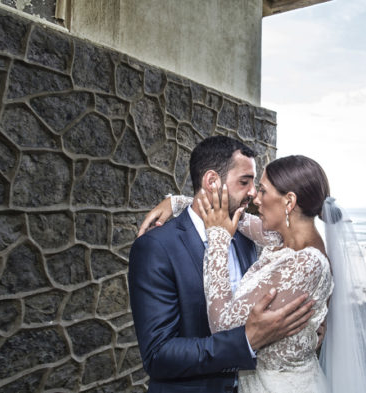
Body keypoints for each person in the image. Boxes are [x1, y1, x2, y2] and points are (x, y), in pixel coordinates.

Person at [139, 154, 366, 392]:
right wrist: (178, 202)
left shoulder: (306, 263)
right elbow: (235, 216)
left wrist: (218, 238)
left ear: (289, 201)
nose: (255, 197)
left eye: (263, 190)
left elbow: (222, 326)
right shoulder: (280, 237)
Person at [128, 136, 316, 393]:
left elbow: (297, 231)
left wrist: (177, 201)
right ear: (212, 181)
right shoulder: (156, 248)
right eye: (244, 181)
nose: (253, 193)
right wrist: (247, 341)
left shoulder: (245, 235)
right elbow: (159, 354)